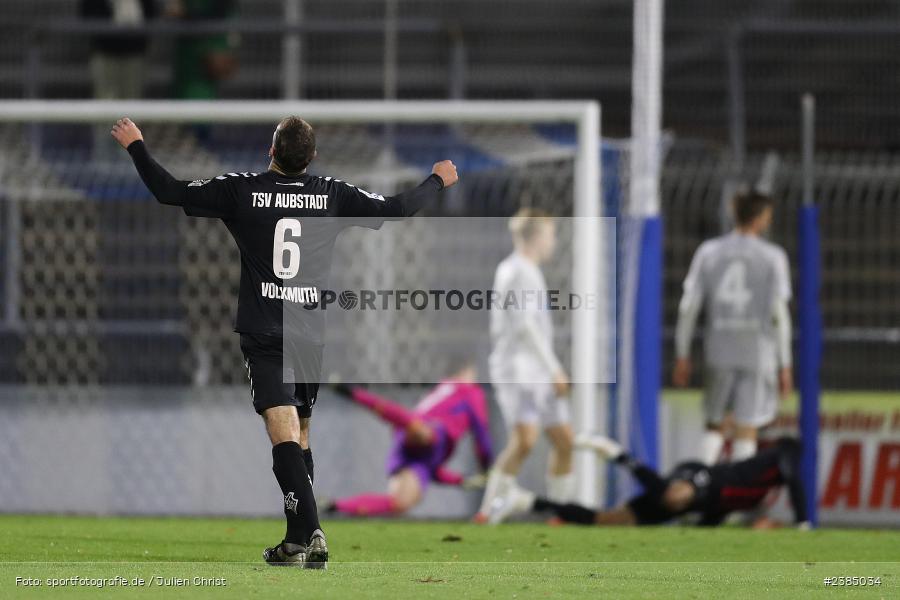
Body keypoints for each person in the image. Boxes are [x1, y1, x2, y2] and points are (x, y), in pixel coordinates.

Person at [110, 116, 458, 568]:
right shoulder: (332, 193)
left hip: (266, 331)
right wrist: (437, 179)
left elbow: (168, 190)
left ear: (270, 151)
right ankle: (296, 541)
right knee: (300, 434)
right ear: (313, 157)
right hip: (308, 334)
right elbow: (397, 207)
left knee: (283, 433)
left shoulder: (240, 190)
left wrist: (136, 145)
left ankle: (312, 531)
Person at [673, 191, 793, 464]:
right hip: (757, 351)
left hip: (719, 349)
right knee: (747, 424)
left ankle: (699, 481)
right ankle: (739, 486)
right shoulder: (773, 256)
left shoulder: (708, 252)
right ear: (761, 218)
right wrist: (785, 363)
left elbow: (689, 306)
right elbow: (779, 313)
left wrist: (683, 354)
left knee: (714, 422)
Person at [490, 433, 810, 529]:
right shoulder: (781, 455)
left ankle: (526, 501)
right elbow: (794, 479)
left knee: (607, 521)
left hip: (700, 501)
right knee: (673, 495)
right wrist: (804, 522)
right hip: (700, 476)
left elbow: (718, 511)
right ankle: (615, 452)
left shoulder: (760, 492)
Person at [476, 209, 574, 521]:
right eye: (550, 235)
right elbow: (524, 326)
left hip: (533, 368)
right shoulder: (519, 272)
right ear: (537, 237)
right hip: (519, 368)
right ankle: (488, 511)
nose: (553, 242)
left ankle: (560, 513)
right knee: (525, 440)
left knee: (563, 439)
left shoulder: (522, 270)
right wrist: (554, 368)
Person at [325, 358, 493, 516]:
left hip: (412, 444)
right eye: (473, 373)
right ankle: (352, 392)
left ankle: (334, 506)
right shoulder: (469, 391)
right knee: (419, 429)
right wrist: (487, 468)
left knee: (400, 503)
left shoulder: (441, 389)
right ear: (464, 372)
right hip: (426, 432)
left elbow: (431, 467)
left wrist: (461, 481)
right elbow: (481, 432)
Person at [80, 0, 158, 100]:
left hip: (135, 53)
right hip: (105, 52)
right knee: (105, 97)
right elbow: (86, 14)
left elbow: (151, 14)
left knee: (132, 96)